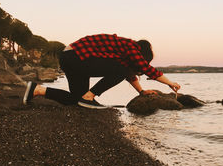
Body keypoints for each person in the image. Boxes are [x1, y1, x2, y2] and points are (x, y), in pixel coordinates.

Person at [23, 33, 180, 109]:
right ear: (142, 53)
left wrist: (141, 91)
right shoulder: (131, 46)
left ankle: (37, 90)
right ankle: (90, 96)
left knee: (77, 100)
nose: (141, 64)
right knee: (119, 71)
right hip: (76, 57)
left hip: (71, 58)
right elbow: (146, 69)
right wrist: (170, 83)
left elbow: (129, 74)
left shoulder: (123, 53)